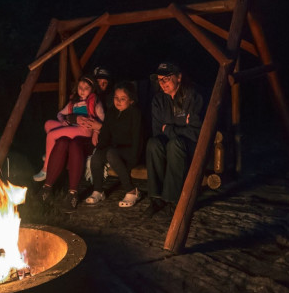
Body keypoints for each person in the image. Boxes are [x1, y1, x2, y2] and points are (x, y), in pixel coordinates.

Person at [144, 62, 204, 215]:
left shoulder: (192, 97)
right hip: (171, 141)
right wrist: (181, 127)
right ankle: (156, 198)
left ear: (179, 77)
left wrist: (169, 129)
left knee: (175, 144)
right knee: (153, 143)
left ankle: (173, 199)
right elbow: (158, 131)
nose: (162, 83)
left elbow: (195, 133)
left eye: (167, 79)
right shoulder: (158, 100)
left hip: (191, 146)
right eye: (160, 79)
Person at [33, 75, 105, 182]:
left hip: (84, 130)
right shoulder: (74, 102)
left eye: (86, 88)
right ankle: (51, 151)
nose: (82, 91)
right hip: (73, 127)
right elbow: (60, 114)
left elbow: (101, 119)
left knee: (51, 135)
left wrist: (96, 132)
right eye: (80, 87)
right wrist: (62, 120)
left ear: (92, 89)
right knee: (48, 124)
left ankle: (45, 169)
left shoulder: (94, 102)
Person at [84, 82, 143, 208]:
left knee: (110, 153)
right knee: (97, 155)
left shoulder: (135, 114)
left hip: (130, 151)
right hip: (114, 149)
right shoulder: (111, 112)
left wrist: (133, 159)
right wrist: (99, 149)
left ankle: (132, 191)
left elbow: (138, 138)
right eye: (116, 98)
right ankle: (98, 190)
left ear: (131, 100)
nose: (118, 101)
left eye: (123, 99)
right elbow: (105, 133)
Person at [38, 135, 94, 212]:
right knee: (62, 141)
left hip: (87, 139)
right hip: (70, 133)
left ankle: (73, 194)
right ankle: (46, 190)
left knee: (75, 144)